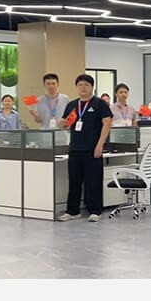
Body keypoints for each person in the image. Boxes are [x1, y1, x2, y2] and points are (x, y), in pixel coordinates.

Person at [57, 74, 112, 222]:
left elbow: (107, 123)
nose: (83, 87)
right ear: (76, 87)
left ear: (92, 87)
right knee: (74, 181)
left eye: (86, 85)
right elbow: (65, 124)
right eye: (80, 85)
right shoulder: (72, 105)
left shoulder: (99, 103)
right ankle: (72, 211)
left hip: (93, 149)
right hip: (75, 148)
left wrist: (100, 144)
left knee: (93, 181)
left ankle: (95, 210)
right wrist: (61, 124)